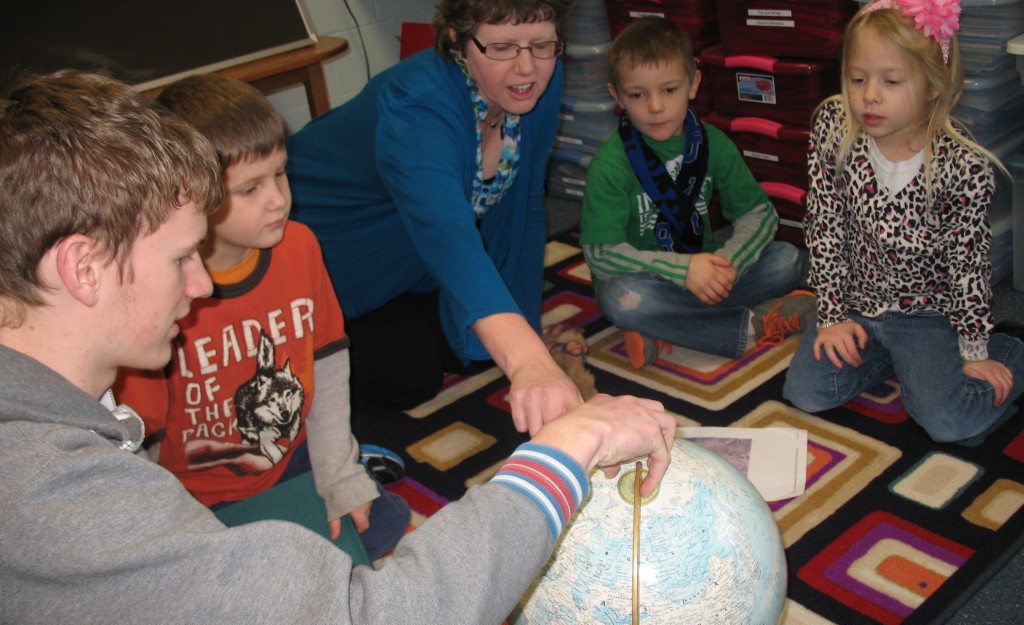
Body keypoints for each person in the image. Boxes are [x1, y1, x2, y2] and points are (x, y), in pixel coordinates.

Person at [0, 70, 675, 625]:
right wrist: (571, 445)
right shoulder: (44, 498)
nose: (200, 286)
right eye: (178, 259)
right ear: (82, 266)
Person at [113, 74, 409, 561]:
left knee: (382, 523)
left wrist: (338, 474)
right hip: (197, 495)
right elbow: (140, 451)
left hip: (290, 458)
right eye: (249, 188)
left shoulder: (300, 246)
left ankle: (350, 459)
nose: (277, 199)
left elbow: (329, 366)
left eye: (280, 173)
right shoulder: (162, 293)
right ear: (189, 196)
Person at [286, 0, 582, 435]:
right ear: (456, 41)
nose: (527, 69)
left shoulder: (537, 80)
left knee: (479, 347)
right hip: (340, 253)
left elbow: (526, 207)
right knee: (408, 379)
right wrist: (529, 362)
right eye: (501, 48)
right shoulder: (416, 103)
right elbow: (447, 234)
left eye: (541, 45)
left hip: (416, 248)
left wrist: (528, 334)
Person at [782, 0, 1024, 442]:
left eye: (891, 81)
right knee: (808, 392)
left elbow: (968, 265)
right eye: (858, 79)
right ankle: (894, 358)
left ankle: (1011, 348)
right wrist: (833, 315)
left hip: (928, 313)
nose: (869, 95)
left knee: (948, 423)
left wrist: (974, 349)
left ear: (933, 85)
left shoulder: (961, 164)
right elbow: (824, 226)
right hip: (857, 301)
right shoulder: (835, 128)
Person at [579, 17, 814, 370]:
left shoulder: (712, 143)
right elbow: (601, 255)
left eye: (669, 89)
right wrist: (683, 269)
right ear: (616, 95)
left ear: (694, 84)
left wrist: (730, 264)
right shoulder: (611, 164)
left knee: (789, 260)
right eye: (638, 94)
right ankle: (753, 325)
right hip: (648, 280)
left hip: (709, 269)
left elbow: (759, 214)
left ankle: (666, 327)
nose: (655, 107)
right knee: (623, 301)